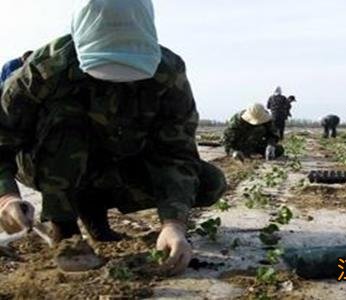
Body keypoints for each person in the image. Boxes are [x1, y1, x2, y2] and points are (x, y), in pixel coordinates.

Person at [0, 0, 226, 275]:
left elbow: (176, 154)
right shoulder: (44, 71)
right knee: (66, 120)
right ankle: (65, 232)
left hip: (118, 165)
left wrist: (173, 224)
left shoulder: (168, 75)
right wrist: (6, 197)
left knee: (209, 182)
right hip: (49, 164)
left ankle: (95, 215)